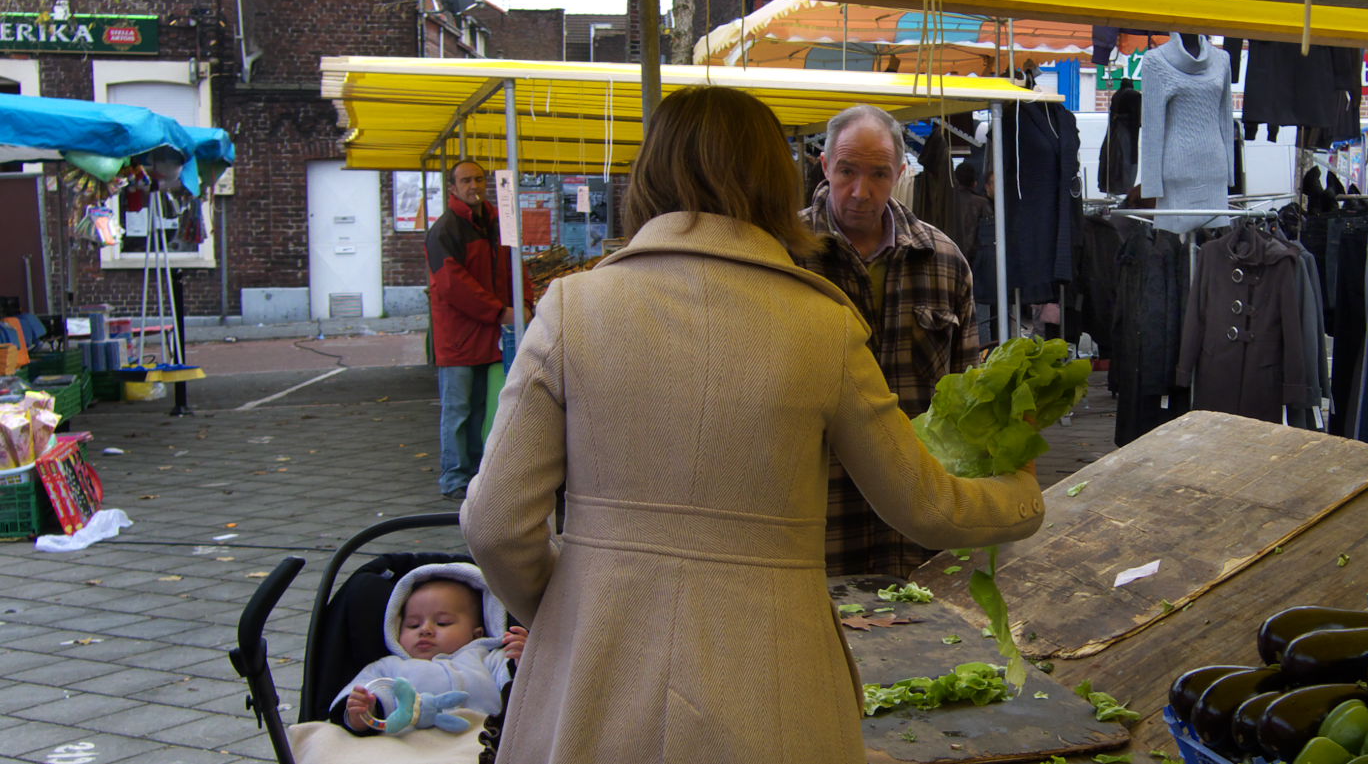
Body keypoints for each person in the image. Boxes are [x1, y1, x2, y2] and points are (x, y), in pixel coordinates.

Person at [461, 86, 1044, 761]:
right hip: (776, 686)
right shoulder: (822, 324)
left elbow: (494, 522)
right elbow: (926, 506)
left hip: (593, 683)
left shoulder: (572, 307)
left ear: (649, 172)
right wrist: (1021, 490)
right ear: (782, 177)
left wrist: (573, 608)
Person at [793, 104, 982, 578]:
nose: (861, 191)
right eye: (847, 171)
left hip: (915, 516)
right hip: (819, 512)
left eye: (879, 174)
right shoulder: (784, 256)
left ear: (900, 172)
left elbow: (966, 400)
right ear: (825, 167)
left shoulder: (943, 261)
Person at [333, 563, 526, 734]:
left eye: (442, 623)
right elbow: (366, 691)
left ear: (476, 634)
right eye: (413, 625)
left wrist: (525, 662)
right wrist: (363, 712)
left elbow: (525, 692)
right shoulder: (389, 667)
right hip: (405, 745)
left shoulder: (489, 660)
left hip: (478, 741)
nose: (425, 630)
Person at [427, 160, 513, 502]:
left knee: (479, 407)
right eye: (465, 180)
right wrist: (499, 310)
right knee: (459, 410)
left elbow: (510, 267)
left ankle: (476, 472)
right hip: (460, 337)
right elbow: (453, 285)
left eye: (478, 179)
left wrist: (516, 304)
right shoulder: (445, 231)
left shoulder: (495, 223)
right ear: (453, 187)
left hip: (483, 333)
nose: (473, 185)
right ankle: (454, 477)